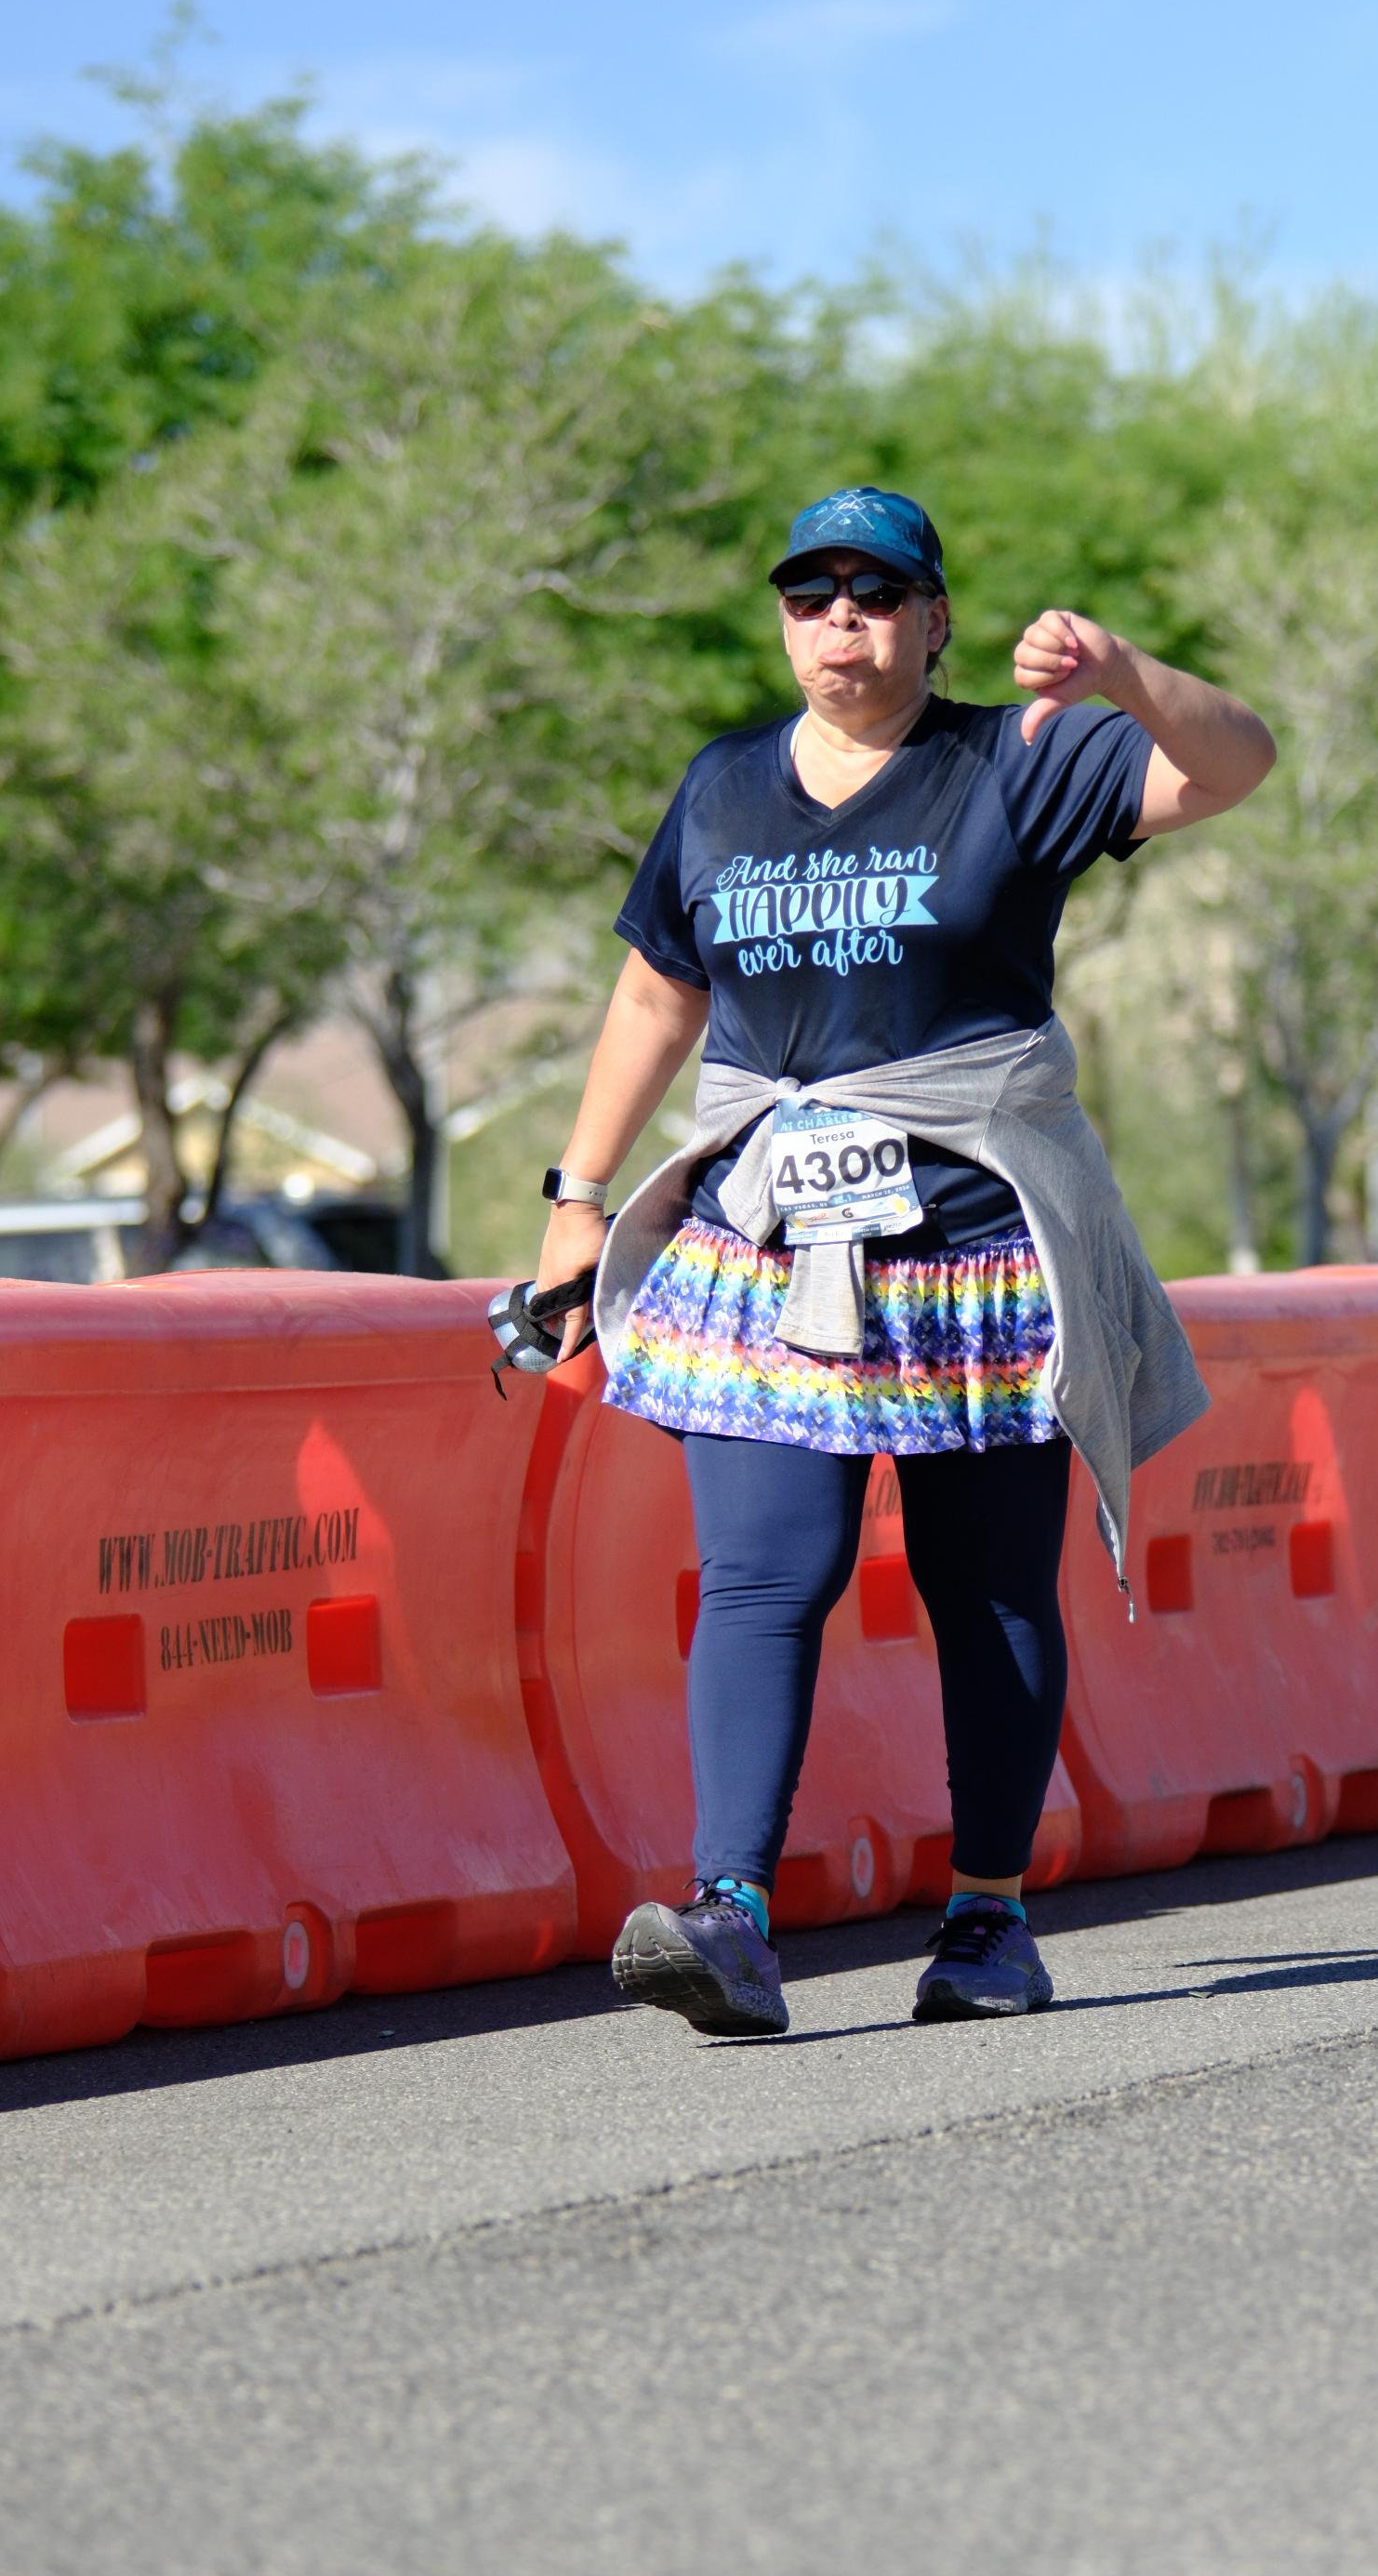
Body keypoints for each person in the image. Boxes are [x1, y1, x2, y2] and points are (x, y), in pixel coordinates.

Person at [528, 483, 1275, 2039]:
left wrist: (1123, 674)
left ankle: (989, 1917)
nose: (842, 623)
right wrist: (576, 1200)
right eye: (811, 597)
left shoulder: (1020, 759)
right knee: (762, 1571)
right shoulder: (723, 786)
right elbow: (659, 993)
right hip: (766, 1242)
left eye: (876, 595)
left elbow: (1236, 764)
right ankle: (729, 1916)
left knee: (985, 1587)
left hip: (976, 1248)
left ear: (935, 621)